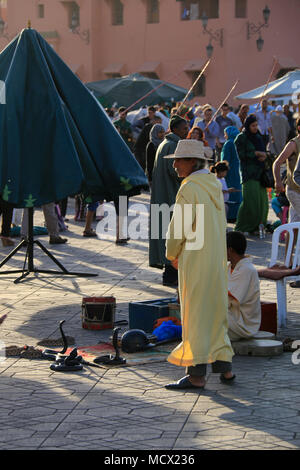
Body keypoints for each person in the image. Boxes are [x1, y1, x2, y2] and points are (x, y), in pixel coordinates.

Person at [164, 139, 234, 390]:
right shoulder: (213, 184)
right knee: (215, 313)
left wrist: (172, 253)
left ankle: (196, 376)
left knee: (195, 316)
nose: (175, 166)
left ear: (192, 162)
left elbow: (178, 227)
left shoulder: (190, 187)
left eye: (178, 161)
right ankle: (225, 369)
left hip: (195, 259)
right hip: (215, 259)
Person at [149, 115, 189, 286]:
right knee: (174, 235)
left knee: (166, 234)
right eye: (184, 128)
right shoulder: (173, 145)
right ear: (175, 130)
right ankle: (171, 274)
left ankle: (171, 273)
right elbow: (176, 171)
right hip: (170, 196)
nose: (187, 131)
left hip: (162, 196)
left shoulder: (164, 144)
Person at [234, 114, 269, 235]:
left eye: (256, 125)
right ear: (247, 126)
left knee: (262, 203)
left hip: (260, 174)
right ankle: (243, 227)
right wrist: (256, 153)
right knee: (251, 202)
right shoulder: (241, 138)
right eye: (253, 125)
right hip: (249, 174)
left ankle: (257, 227)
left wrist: (264, 155)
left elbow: (264, 151)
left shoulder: (258, 137)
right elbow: (242, 155)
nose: (255, 127)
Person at [227, 231, 261, 341]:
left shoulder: (247, 269)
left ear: (230, 250)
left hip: (242, 324)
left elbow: (229, 298)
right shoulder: (229, 266)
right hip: (231, 315)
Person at [221, 126, 242, 221]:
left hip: (229, 171)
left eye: (225, 133)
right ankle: (238, 214)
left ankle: (230, 215)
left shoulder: (228, 143)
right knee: (238, 191)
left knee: (229, 191)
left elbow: (225, 160)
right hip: (238, 169)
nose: (224, 135)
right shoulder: (238, 142)